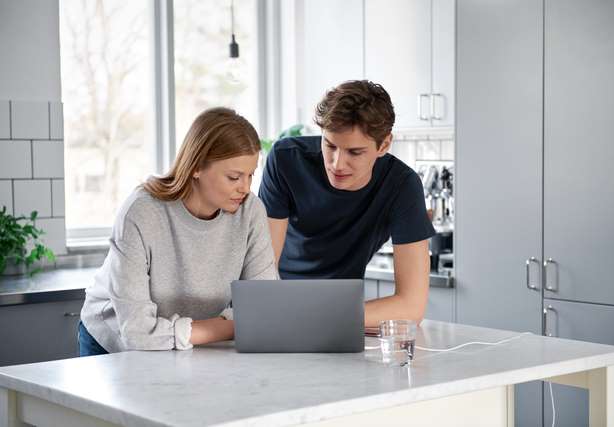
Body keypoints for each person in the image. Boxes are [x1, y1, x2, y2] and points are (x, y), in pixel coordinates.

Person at [78, 107, 277, 356]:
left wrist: (216, 328)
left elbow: (263, 305)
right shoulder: (141, 212)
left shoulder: (250, 211)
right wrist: (231, 327)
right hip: (114, 341)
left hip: (194, 339)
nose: (245, 188)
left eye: (250, 175)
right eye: (234, 177)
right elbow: (137, 332)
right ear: (196, 167)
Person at [259, 80, 435, 328]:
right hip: (281, 309)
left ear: (384, 145)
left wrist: (317, 318)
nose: (337, 163)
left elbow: (411, 306)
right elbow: (262, 270)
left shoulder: (402, 185)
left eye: (354, 152)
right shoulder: (285, 160)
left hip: (341, 315)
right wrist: (275, 314)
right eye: (329, 145)